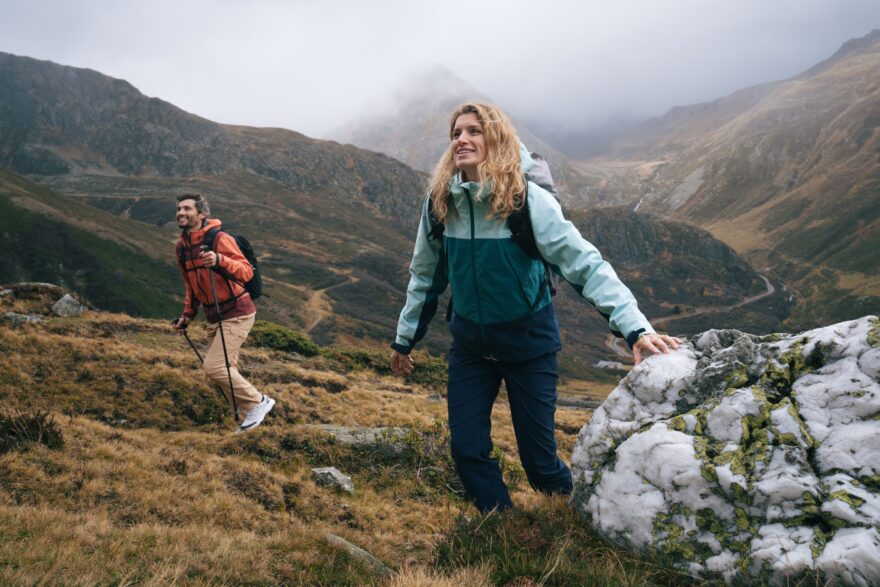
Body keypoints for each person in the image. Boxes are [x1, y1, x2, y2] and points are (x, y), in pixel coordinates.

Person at [389, 103, 680, 513]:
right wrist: (404, 340)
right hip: (471, 348)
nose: (463, 139)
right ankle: (505, 527)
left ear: (496, 140)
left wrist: (636, 329)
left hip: (529, 346)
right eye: (456, 133)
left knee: (541, 466)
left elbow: (586, 265)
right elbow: (425, 275)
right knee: (468, 450)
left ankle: (589, 521)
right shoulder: (441, 203)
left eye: (475, 131)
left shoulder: (525, 200)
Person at [172, 194, 275, 433]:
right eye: (178, 209)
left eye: (187, 208)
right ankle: (248, 424)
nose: (181, 213)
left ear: (201, 214)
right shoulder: (182, 248)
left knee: (215, 368)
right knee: (226, 371)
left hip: (237, 312)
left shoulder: (219, 239)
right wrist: (187, 315)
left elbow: (246, 272)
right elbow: (191, 285)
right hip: (214, 316)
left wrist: (219, 260)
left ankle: (259, 402)